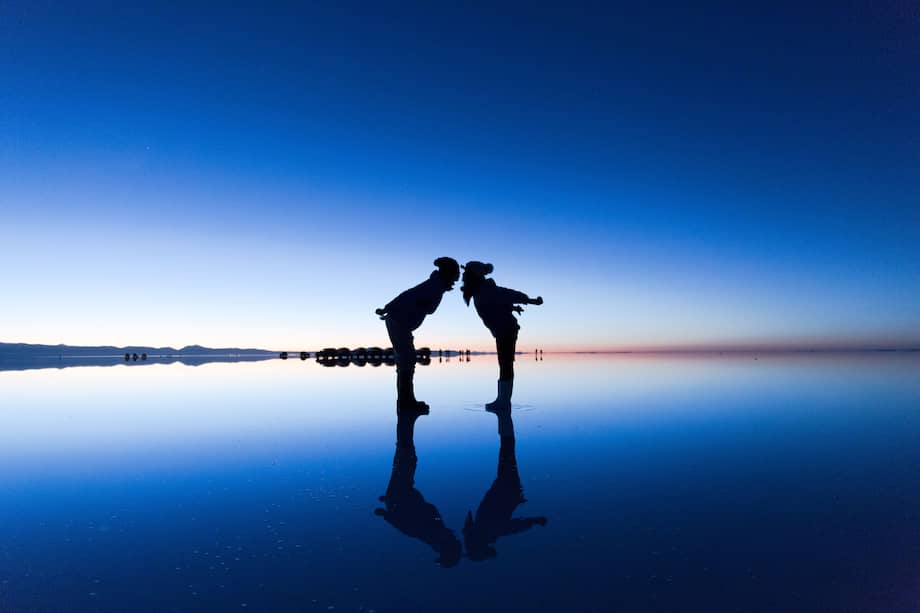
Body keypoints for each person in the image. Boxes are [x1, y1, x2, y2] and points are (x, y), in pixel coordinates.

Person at [374, 408, 462, 568]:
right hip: (401, 496)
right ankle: (405, 422)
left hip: (399, 497)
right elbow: (421, 515)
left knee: (405, 460)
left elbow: (404, 526)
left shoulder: (432, 535)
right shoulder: (436, 532)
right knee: (404, 460)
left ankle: (405, 421)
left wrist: (385, 513)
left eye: (454, 542)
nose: (455, 538)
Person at [463, 407, 547, 561]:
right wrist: (533, 520)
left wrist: (534, 520)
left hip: (507, 491)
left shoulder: (487, 531)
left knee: (507, 454)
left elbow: (513, 527)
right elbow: (513, 527)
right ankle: (505, 423)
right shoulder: (481, 531)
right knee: (507, 455)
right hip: (505, 491)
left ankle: (505, 422)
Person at [376, 257, 460, 411]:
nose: (455, 281)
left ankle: (405, 401)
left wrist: (388, 308)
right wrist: (388, 308)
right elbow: (410, 297)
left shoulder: (436, 286)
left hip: (400, 323)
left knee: (406, 362)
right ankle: (406, 403)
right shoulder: (434, 286)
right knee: (406, 361)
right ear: (448, 274)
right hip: (398, 322)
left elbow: (414, 298)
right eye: (455, 276)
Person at [461, 261, 542, 410]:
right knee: (504, 363)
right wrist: (513, 307)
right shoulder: (480, 291)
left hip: (506, 330)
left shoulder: (487, 290)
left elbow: (508, 294)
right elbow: (497, 303)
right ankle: (502, 400)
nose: (463, 277)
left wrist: (530, 300)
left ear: (474, 276)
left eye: (466, 274)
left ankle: (503, 402)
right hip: (502, 330)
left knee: (505, 363)